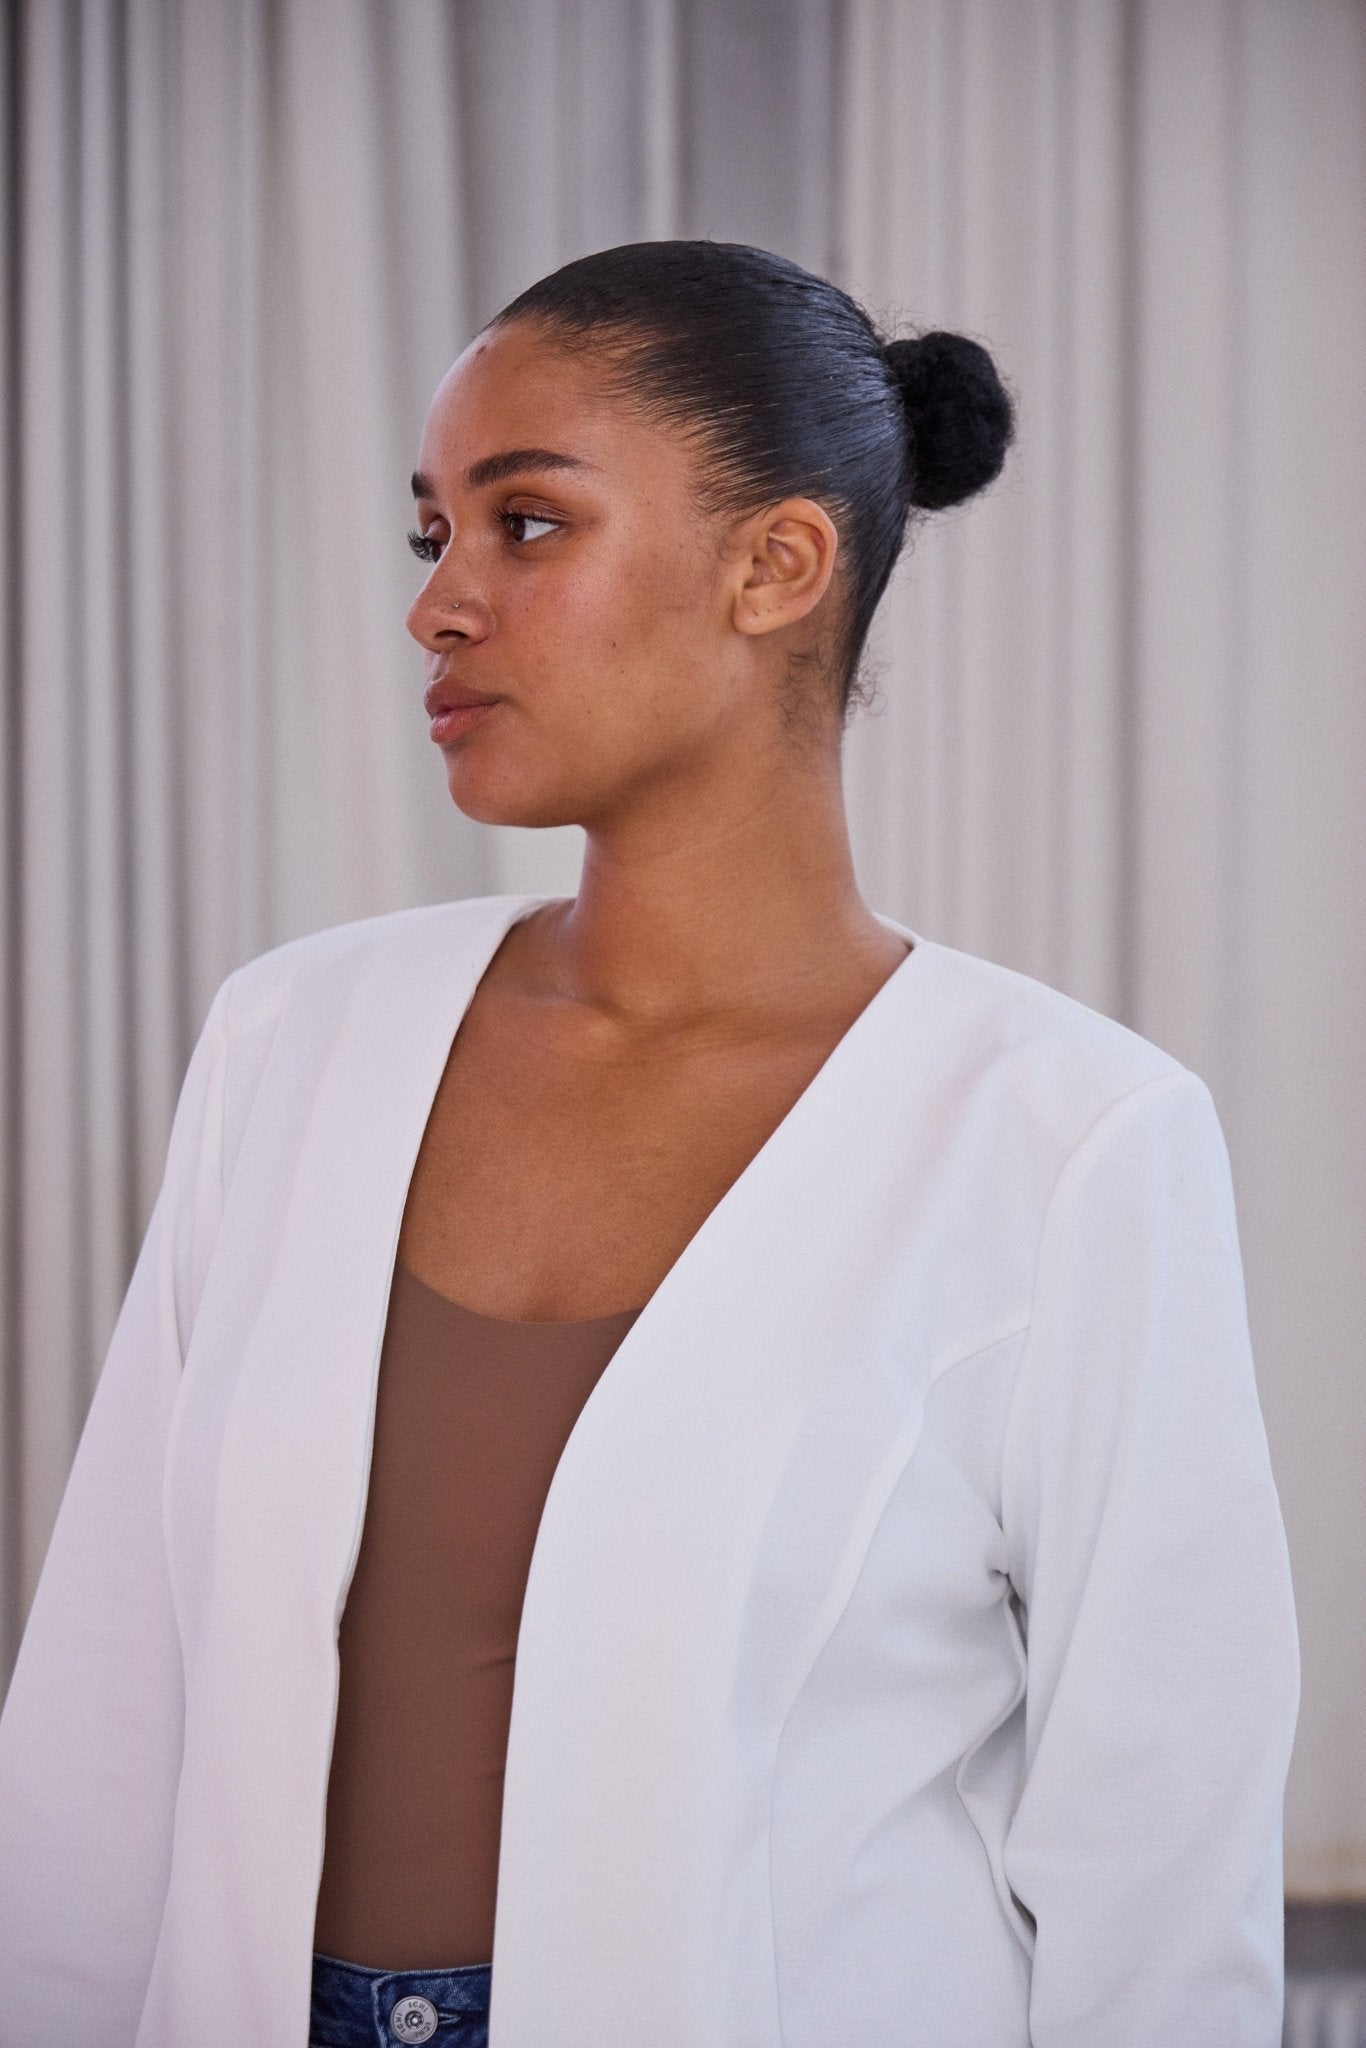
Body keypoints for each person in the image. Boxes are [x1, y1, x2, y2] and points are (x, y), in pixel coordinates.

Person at [0, 239, 1298, 2048]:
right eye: (430, 533)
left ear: (776, 566)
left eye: (525, 523)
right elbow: (105, 1706)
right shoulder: (294, 1039)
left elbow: (1156, 1866)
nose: (438, 605)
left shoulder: (1069, 1137)